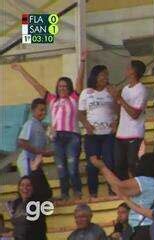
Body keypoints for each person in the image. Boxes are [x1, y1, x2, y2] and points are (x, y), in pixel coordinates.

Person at [11, 52, 85, 200]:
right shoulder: (51, 99)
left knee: (71, 167)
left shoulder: (74, 98)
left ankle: (77, 191)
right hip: (57, 138)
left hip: (72, 137)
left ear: (69, 88)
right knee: (61, 169)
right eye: (60, 86)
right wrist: (21, 70)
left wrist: (82, 62)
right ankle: (64, 194)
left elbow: (79, 81)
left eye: (65, 86)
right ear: (56, 88)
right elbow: (36, 84)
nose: (62, 88)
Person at [91, 153, 154, 240]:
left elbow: (118, 186)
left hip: (142, 228)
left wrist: (102, 167)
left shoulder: (142, 181)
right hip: (153, 227)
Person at [79, 65, 118, 198]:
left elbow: (118, 109)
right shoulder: (86, 92)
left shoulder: (111, 90)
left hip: (108, 134)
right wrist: (86, 125)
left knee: (109, 163)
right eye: (102, 74)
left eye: (107, 74)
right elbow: (80, 113)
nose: (105, 77)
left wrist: (116, 122)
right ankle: (93, 194)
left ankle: (112, 191)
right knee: (92, 166)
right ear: (95, 76)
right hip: (92, 135)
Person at [111, 60, 148, 180]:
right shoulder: (125, 88)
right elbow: (119, 106)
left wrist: (120, 99)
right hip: (121, 133)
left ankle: (138, 188)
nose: (126, 69)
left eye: (128, 67)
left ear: (133, 71)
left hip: (134, 133)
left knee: (133, 164)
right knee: (119, 165)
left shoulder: (141, 89)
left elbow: (135, 114)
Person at [8, 155, 52, 240]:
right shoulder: (16, 203)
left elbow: (46, 192)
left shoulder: (37, 203)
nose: (25, 188)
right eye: (22, 185)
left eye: (28, 186)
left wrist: (36, 171)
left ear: (33, 188)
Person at [16, 98, 53, 176]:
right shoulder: (30, 124)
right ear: (33, 110)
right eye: (41, 110)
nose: (44, 113)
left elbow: (44, 150)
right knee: (30, 184)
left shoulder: (41, 126)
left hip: (36, 162)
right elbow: (21, 142)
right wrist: (38, 151)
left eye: (45, 110)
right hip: (27, 161)